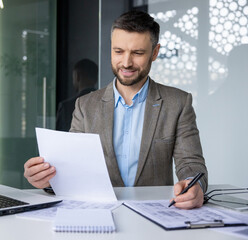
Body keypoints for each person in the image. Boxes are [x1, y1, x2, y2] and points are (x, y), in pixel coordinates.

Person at [24, 10, 208, 209]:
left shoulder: (178, 103)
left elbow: (191, 163)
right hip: (98, 214)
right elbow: (72, 169)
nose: (126, 62)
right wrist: (47, 179)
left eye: (137, 53)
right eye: (118, 51)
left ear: (155, 53)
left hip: (155, 216)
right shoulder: (85, 106)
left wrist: (194, 185)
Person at [56, 59, 98, 131]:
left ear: (77, 76)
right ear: (96, 78)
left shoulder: (66, 107)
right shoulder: (107, 103)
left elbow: (60, 137)